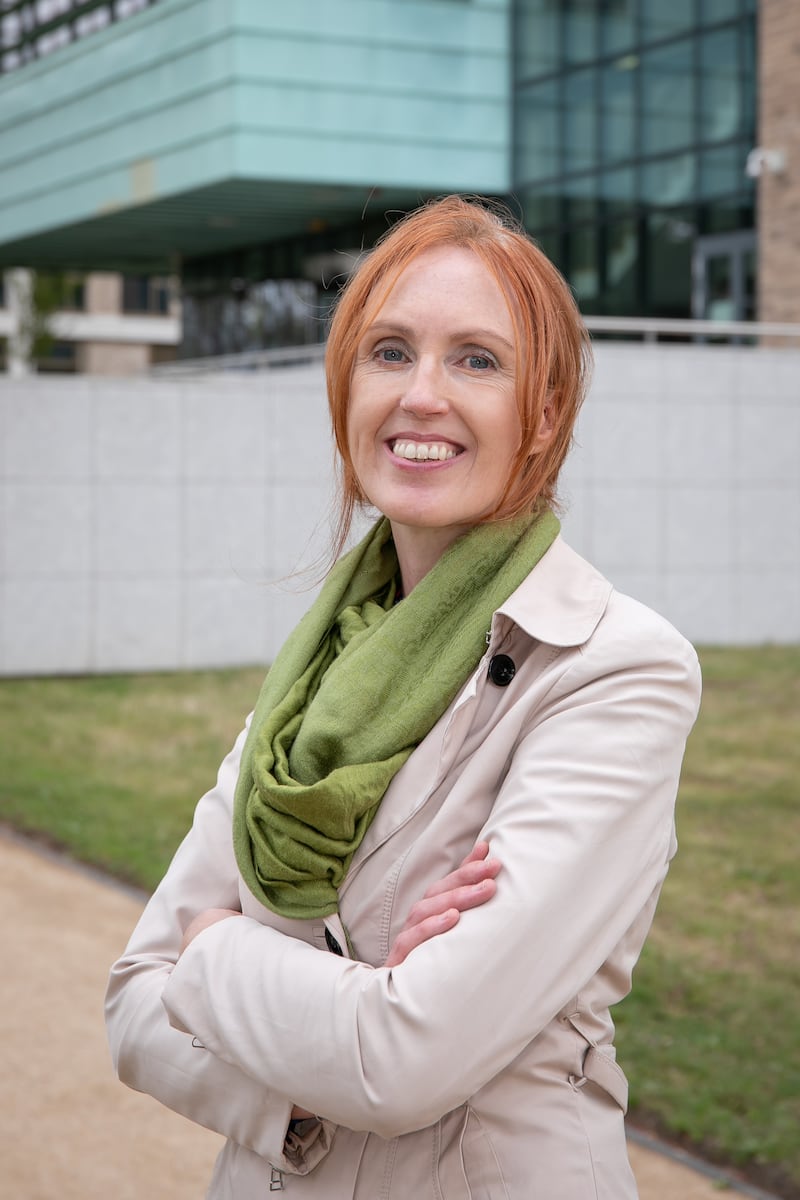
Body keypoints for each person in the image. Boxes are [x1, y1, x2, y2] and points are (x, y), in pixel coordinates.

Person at [105, 195, 701, 1198]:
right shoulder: (315, 679)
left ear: (542, 408)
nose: (421, 394)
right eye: (388, 352)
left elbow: (400, 1060)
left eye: (475, 359)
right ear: (345, 389)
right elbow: (129, 1007)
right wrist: (324, 1045)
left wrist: (212, 950)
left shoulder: (613, 669)